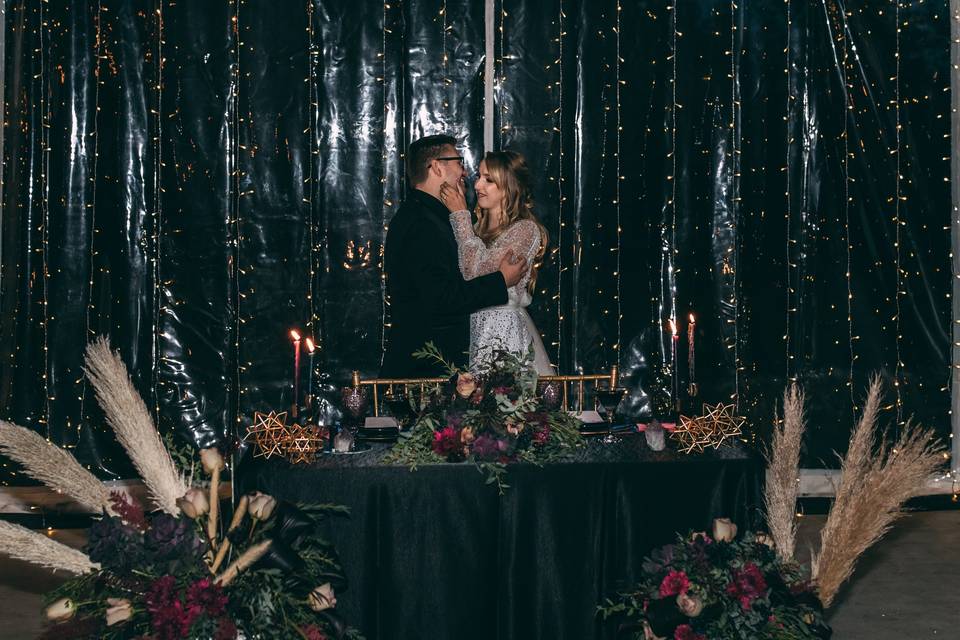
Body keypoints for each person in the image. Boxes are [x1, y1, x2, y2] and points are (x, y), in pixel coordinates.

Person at [381, 135, 528, 378]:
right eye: (459, 162)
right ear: (438, 166)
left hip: (434, 368)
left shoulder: (432, 217)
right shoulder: (421, 223)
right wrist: (501, 281)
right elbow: (442, 298)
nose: (464, 173)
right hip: (425, 372)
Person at [439, 150, 556, 375]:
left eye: (489, 180)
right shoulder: (474, 232)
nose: (478, 185)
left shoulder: (525, 230)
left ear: (509, 187)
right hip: (474, 332)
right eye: (479, 177)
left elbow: (476, 273)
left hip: (505, 337)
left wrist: (460, 215)